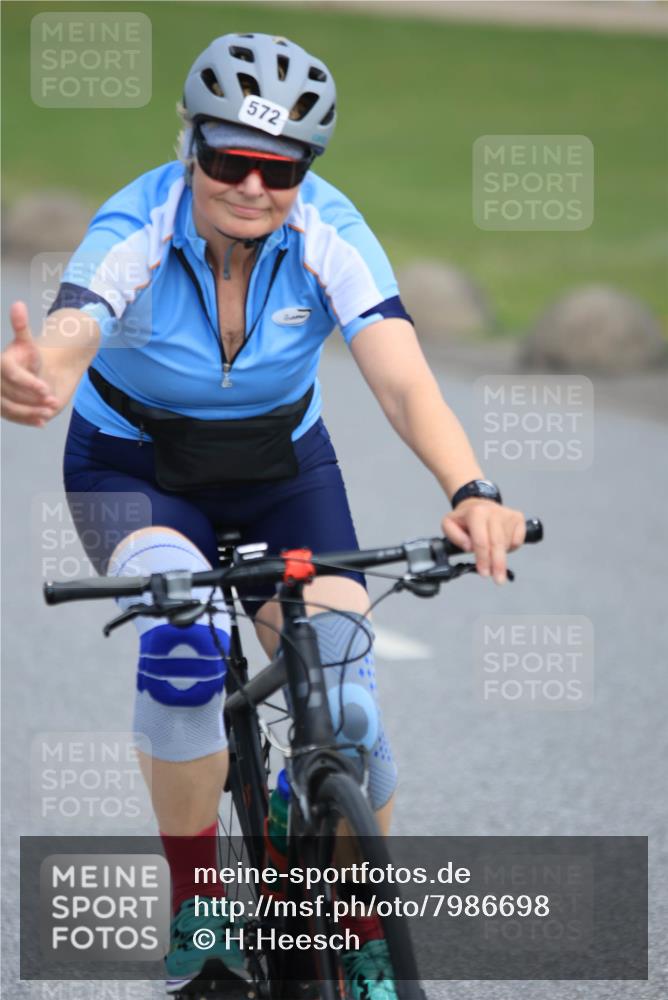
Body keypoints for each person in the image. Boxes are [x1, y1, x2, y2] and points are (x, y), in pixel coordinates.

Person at [1, 32, 526, 999]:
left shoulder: (329, 230)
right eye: (227, 158)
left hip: (283, 472)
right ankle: (200, 912)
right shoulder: (136, 226)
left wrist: (472, 491)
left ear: (304, 171)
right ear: (187, 145)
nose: (251, 184)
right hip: (137, 471)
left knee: (351, 704)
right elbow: (73, 333)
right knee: (186, 651)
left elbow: (405, 382)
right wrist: (39, 379)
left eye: (277, 168)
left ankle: (358, 923)